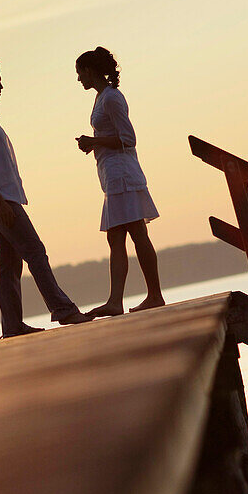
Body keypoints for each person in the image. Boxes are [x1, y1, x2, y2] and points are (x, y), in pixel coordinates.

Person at [0, 61, 93, 338]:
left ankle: (12, 325)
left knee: (9, 263)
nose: (1, 86)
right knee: (34, 251)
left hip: (4, 198)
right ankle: (63, 309)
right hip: (1, 200)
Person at [75, 47, 165, 315]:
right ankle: (117, 301)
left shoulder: (112, 98)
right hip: (111, 175)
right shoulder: (102, 97)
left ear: (90, 71)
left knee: (136, 233)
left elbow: (128, 138)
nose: (79, 79)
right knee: (117, 238)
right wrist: (94, 144)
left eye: (80, 73)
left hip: (122, 174)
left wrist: (95, 141)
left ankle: (151, 296)